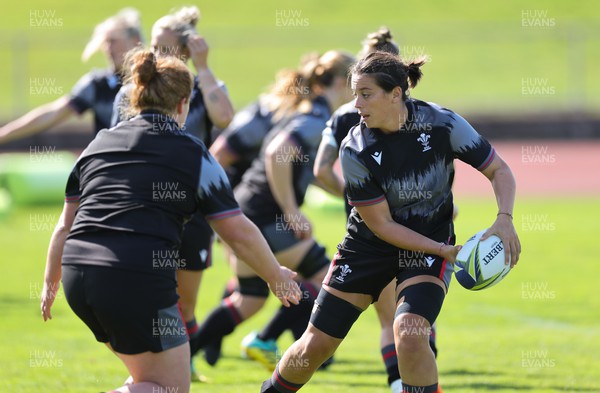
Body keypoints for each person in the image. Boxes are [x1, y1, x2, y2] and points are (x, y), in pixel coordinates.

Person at [40, 48, 301, 393]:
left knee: (146, 379)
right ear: (184, 104)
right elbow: (236, 231)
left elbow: (64, 225)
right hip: (133, 279)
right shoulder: (193, 153)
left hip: (79, 276)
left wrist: (49, 282)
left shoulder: (98, 145)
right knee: (170, 387)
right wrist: (275, 276)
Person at [260, 51, 521, 393]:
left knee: (410, 335)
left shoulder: (443, 124)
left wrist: (504, 220)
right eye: (354, 94)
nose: (356, 104)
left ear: (396, 93)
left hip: (426, 248)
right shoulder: (355, 149)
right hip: (368, 248)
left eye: (365, 94)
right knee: (315, 347)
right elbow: (382, 225)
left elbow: (498, 169)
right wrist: (443, 250)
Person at [190, 51, 356, 367]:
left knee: (249, 300)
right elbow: (278, 153)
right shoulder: (315, 118)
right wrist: (291, 210)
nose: (358, 95)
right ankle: (265, 340)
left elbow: (311, 172)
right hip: (264, 215)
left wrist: (354, 193)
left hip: (246, 210)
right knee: (326, 278)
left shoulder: (311, 113)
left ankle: (187, 353)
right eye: (355, 86)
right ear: (338, 82)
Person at [111, 6, 235, 381]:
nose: (157, 52)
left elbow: (227, 118)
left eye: (166, 47)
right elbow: (117, 138)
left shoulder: (202, 87)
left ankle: (184, 360)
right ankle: (153, 369)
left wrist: (205, 65)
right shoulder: (133, 90)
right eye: (153, 45)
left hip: (192, 208)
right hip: (148, 207)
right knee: (152, 294)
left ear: (185, 51)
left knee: (186, 300)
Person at [313, 27, 439, 392]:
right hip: (409, 229)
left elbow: (321, 170)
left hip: (365, 230)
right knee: (411, 321)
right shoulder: (411, 113)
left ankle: (405, 382)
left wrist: (357, 197)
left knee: (395, 322)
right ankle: (404, 383)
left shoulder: (342, 113)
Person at [0, 8, 143, 143]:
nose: (108, 48)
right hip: (113, 165)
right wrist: (4, 133)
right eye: (105, 42)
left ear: (135, 40)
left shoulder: (154, 79)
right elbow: (53, 113)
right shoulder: (97, 84)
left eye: (113, 40)